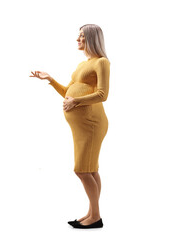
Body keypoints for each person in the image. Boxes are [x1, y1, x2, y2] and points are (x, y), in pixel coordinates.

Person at [30, 24, 110, 229]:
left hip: (92, 123)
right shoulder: (84, 64)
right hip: (81, 126)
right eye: (78, 36)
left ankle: (96, 217)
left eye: (82, 36)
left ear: (92, 39)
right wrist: (50, 79)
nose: (78, 39)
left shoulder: (102, 62)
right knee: (90, 170)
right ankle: (92, 212)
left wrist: (76, 102)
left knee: (82, 170)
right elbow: (68, 91)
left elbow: (103, 94)